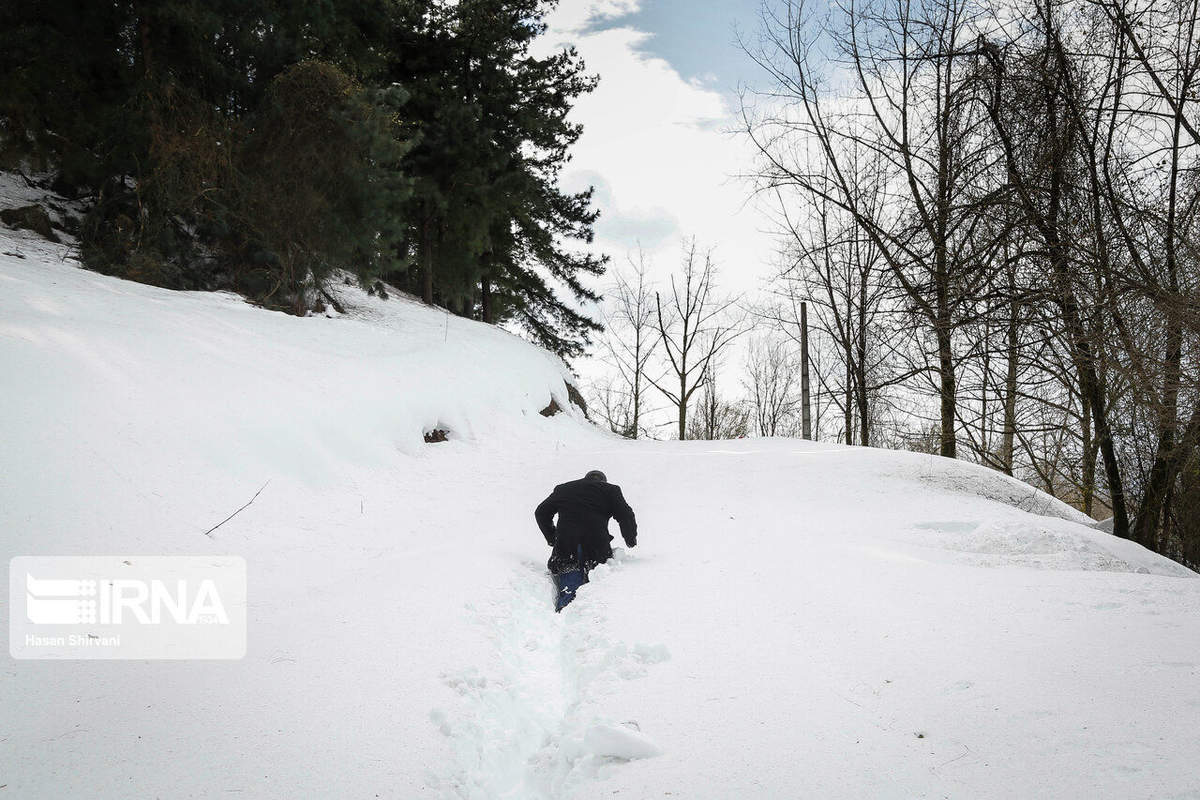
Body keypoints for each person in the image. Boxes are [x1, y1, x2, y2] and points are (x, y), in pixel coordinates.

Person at [535, 469, 637, 611]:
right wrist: (630, 539)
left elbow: (541, 512)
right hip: (596, 545)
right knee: (595, 584)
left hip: (566, 545)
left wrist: (552, 537)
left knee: (570, 575)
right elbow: (626, 515)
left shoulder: (564, 488)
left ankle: (565, 607)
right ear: (603, 481)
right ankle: (584, 618)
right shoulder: (610, 490)